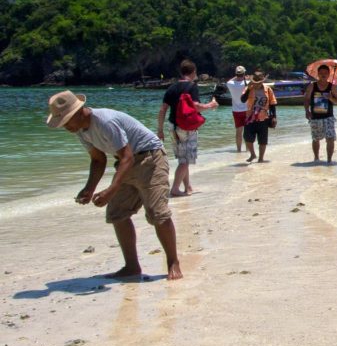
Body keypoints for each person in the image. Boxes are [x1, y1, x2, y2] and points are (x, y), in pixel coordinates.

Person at [47, 90, 182, 280]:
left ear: (79, 112)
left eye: (66, 121)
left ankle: (173, 262)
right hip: (127, 163)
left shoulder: (104, 121)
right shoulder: (81, 130)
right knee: (117, 214)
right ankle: (132, 266)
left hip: (150, 158)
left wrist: (110, 190)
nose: (65, 127)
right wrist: (89, 189)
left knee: (157, 214)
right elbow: (98, 160)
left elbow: (127, 157)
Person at [158, 59, 218, 196]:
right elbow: (196, 106)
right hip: (186, 127)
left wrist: (159, 130)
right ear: (193, 72)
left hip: (172, 126)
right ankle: (174, 189)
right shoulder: (192, 87)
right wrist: (211, 105)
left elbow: (162, 110)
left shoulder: (171, 88)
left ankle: (188, 187)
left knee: (182, 159)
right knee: (185, 160)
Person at [304, 64, 337, 163]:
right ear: (318, 74)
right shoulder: (312, 86)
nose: (323, 75)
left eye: (325, 73)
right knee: (316, 138)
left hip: (328, 116)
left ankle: (329, 160)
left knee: (330, 138)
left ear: (329, 74)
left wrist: (331, 98)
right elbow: (307, 99)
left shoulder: (331, 87)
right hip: (315, 117)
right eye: (321, 73)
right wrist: (307, 111)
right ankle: (316, 158)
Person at [242, 71, 277, 163]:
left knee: (262, 139)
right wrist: (249, 89)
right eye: (255, 82)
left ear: (262, 81)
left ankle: (261, 158)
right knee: (247, 137)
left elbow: (273, 104)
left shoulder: (268, 89)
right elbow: (242, 100)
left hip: (263, 117)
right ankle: (253, 154)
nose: (256, 84)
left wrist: (274, 117)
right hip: (250, 117)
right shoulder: (248, 88)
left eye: (258, 82)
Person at [225, 65, 248, 152]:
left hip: (236, 110)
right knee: (247, 131)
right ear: (244, 74)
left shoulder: (230, 84)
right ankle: (248, 149)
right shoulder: (247, 83)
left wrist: (237, 76)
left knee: (238, 131)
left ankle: (238, 150)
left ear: (236, 74)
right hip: (246, 110)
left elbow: (229, 80)